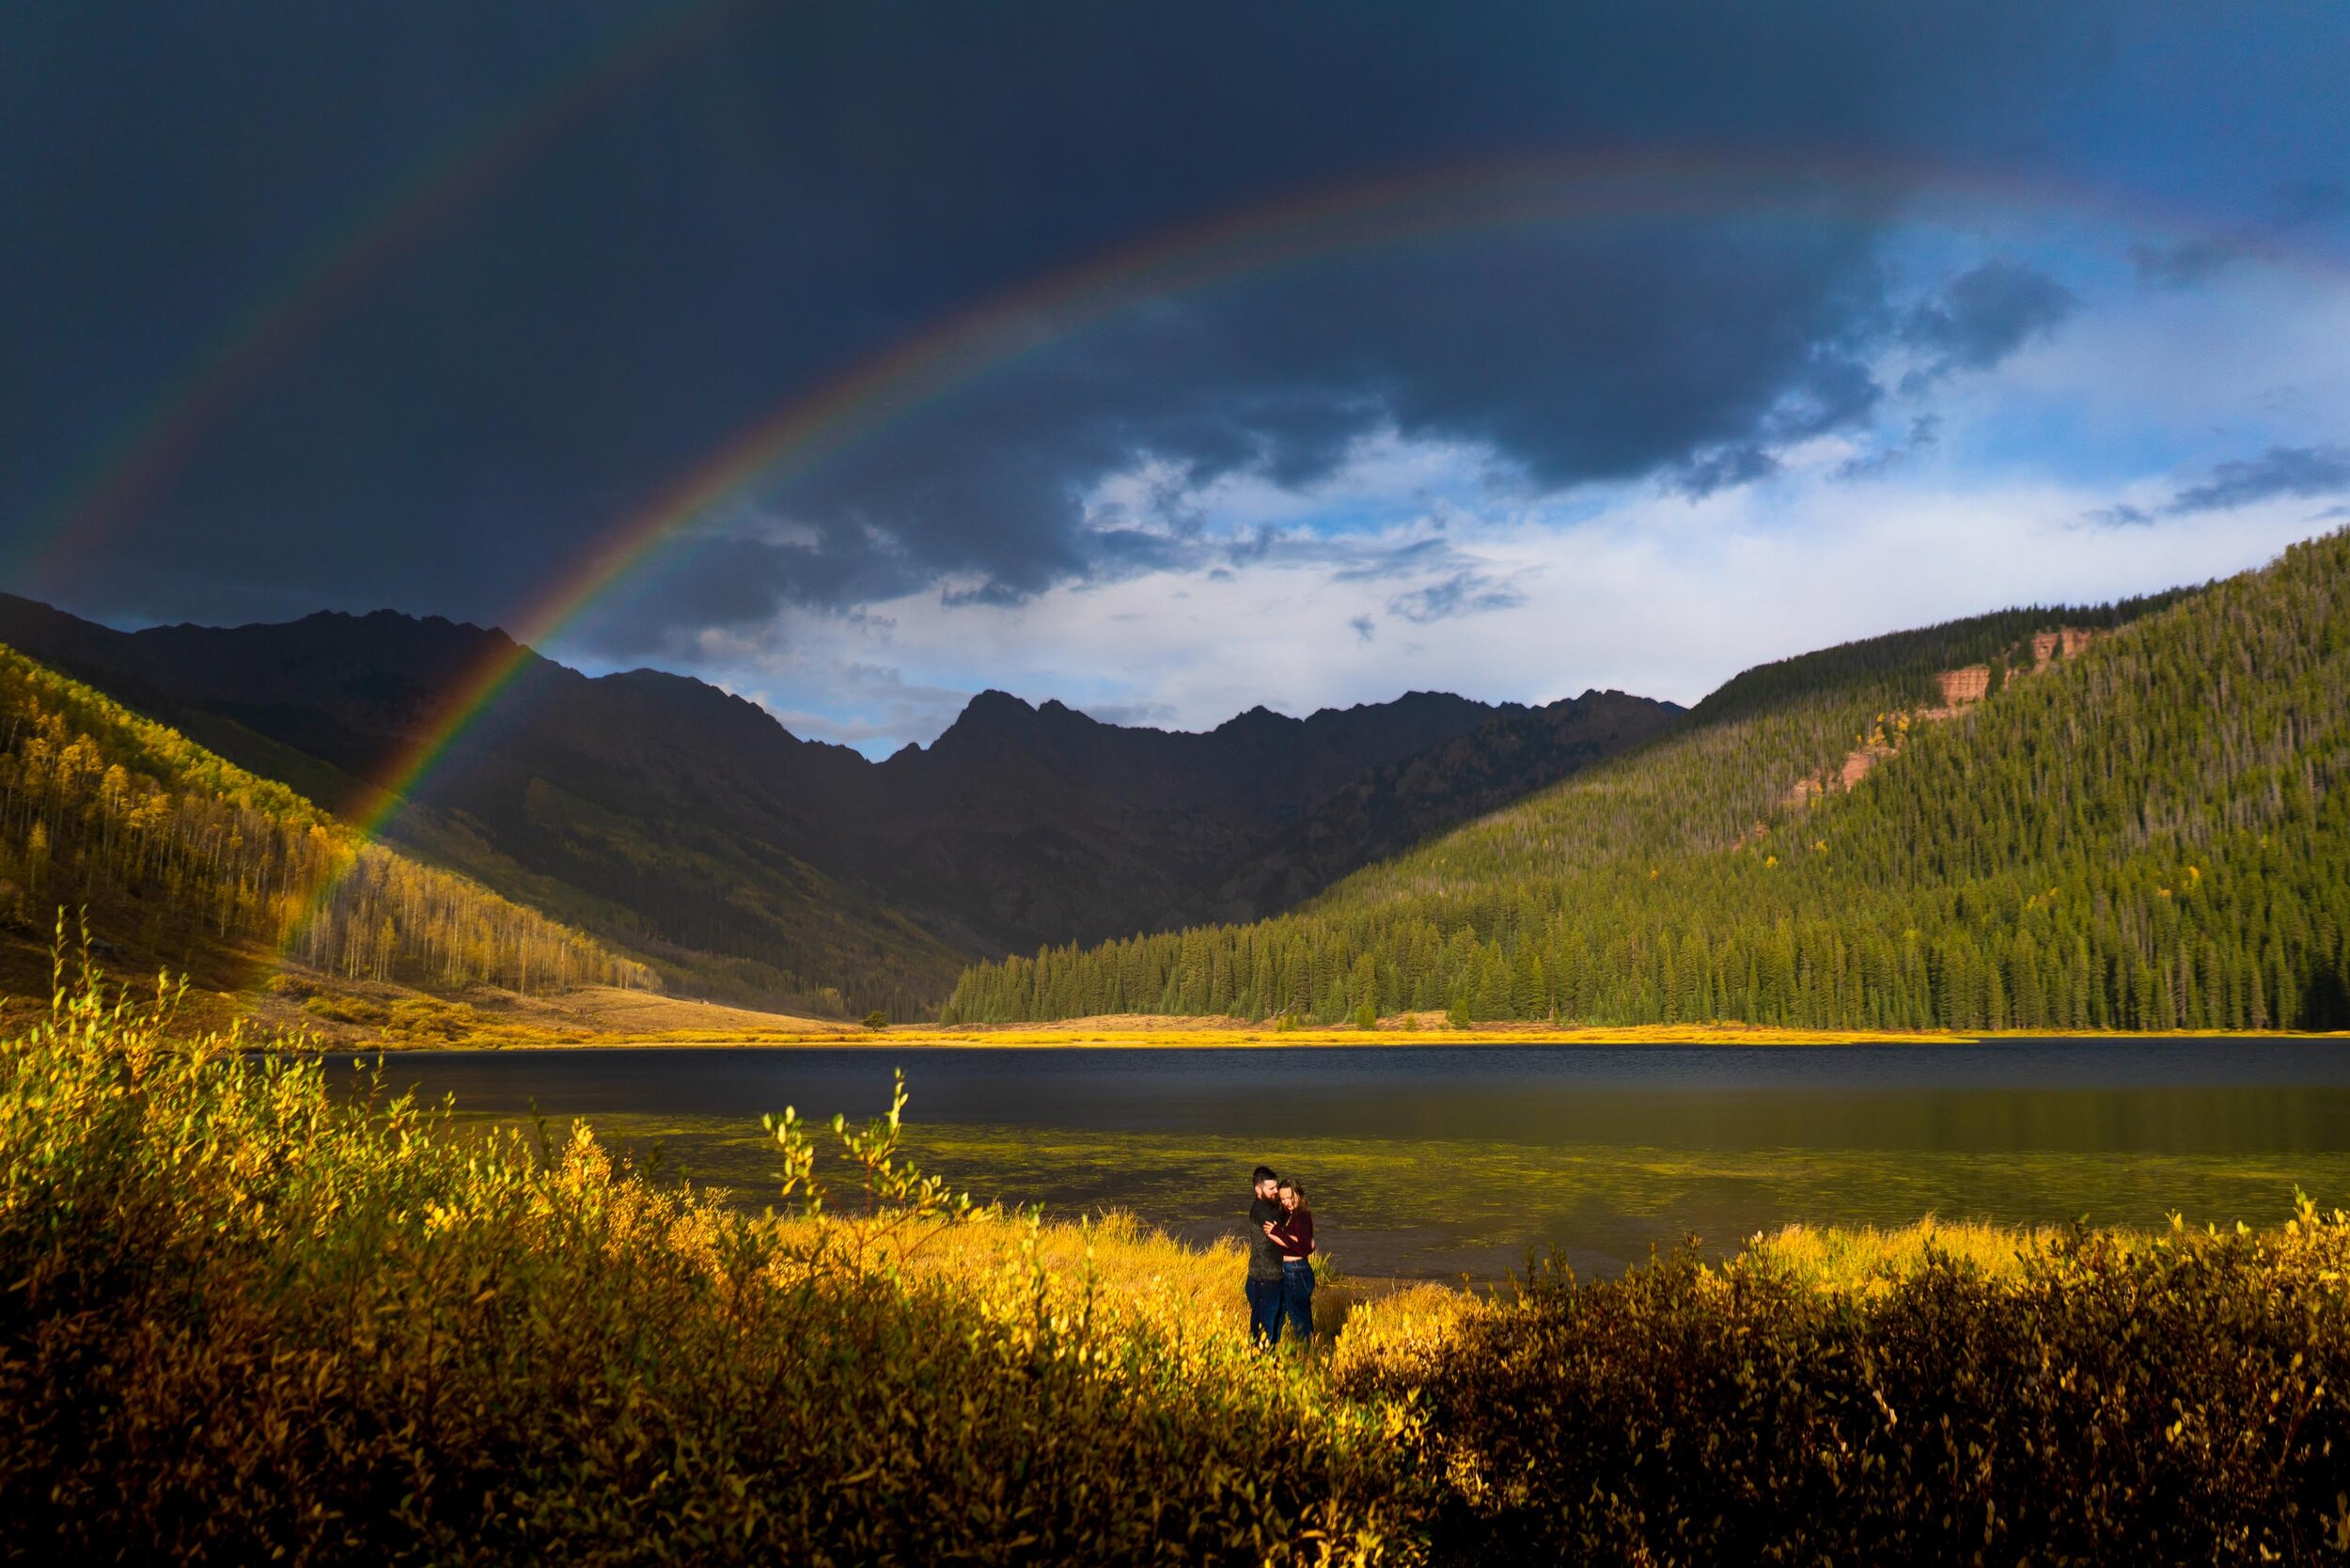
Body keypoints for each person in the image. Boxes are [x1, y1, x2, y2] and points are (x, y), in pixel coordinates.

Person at [1265, 1179, 1316, 1348]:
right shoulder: (1289, 1214)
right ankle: (1272, 1351)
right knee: (1282, 1313)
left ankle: (1309, 1356)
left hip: (1297, 1271)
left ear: (1298, 1194)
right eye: (1283, 1199)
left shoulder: (1302, 1215)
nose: (1287, 1202)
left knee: (1299, 1319)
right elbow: (1307, 1245)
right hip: (1289, 1271)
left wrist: (1278, 1233)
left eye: (1290, 1197)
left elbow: (1303, 1247)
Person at [1244, 1165, 1286, 1346]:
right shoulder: (1260, 1211)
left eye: (1276, 1187)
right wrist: (1303, 1246)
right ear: (1258, 1190)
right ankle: (1259, 1369)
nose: (1276, 1191)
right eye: (1271, 1189)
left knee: (1275, 1330)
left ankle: (1270, 1370)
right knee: (1263, 1333)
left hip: (1275, 1277)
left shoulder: (1271, 1207)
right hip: (1263, 1278)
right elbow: (1279, 1236)